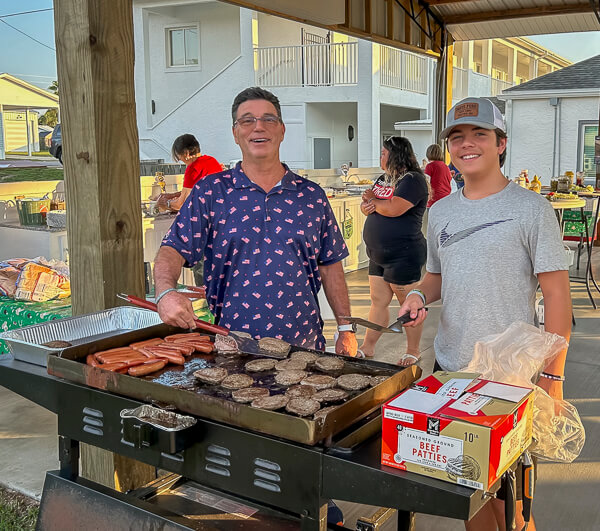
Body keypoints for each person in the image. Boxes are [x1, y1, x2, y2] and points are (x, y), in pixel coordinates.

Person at [399, 97, 572, 531]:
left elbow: (556, 296)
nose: (467, 144)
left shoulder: (532, 209)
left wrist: (552, 377)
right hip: (452, 371)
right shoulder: (440, 212)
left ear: (501, 143)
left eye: (479, 134)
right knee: (470, 496)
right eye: (457, 137)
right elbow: (436, 277)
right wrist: (419, 295)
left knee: (512, 506)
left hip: (511, 376)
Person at [154, 86, 358, 358]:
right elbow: (172, 248)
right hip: (233, 349)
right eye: (247, 120)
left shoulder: (311, 197)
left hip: (304, 349)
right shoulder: (211, 192)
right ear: (235, 133)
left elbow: (330, 265)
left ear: (282, 130)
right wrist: (165, 291)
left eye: (269, 119)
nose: (258, 127)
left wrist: (345, 327)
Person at [358, 136, 429, 364]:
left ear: (396, 155)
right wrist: (367, 204)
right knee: (378, 301)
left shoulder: (413, 180)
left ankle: (413, 350)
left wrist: (374, 201)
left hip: (403, 254)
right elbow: (369, 205)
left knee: (408, 305)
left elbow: (394, 208)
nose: (381, 156)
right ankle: (367, 347)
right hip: (377, 254)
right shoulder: (384, 179)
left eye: (384, 153)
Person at [157, 134, 222, 213]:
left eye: (179, 157)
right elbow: (197, 192)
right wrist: (173, 195)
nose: (180, 160)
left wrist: (165, 203)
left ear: (186, 153)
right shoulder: (211, 161)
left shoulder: (193, 168)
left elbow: (183, 203)